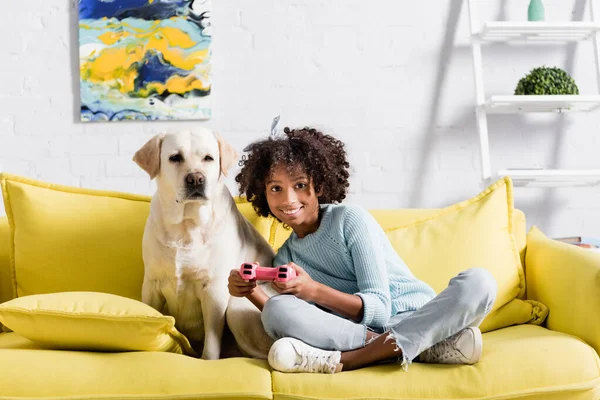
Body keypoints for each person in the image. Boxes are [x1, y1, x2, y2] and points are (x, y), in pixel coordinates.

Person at [228, 126, 497, 374]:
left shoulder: (348, 220)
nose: (288, 200)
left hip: (414, 314)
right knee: (276, 309)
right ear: (264, 194)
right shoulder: (286, 258)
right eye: (276, 189)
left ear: (318, 185)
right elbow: (297, 319)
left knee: (479, 283)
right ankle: (423, 346)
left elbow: (380, 310)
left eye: (300, 185)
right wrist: (252, 292)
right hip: (359, 332)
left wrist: (313, 290)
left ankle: (350, 360)